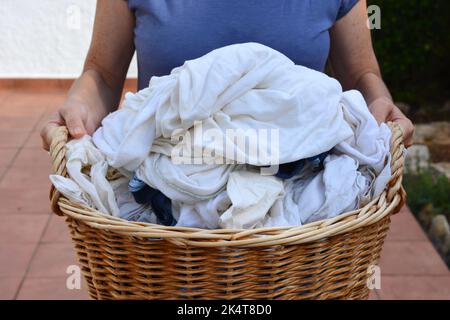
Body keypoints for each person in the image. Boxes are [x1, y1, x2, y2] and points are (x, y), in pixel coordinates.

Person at [41, 0, 414, 150]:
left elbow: (362, 75)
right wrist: (79, 107)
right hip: (165, 225)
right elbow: (103, 76)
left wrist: (379, 103)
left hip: (300, 226)